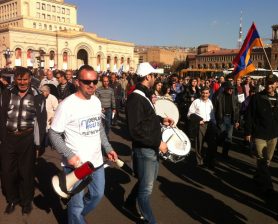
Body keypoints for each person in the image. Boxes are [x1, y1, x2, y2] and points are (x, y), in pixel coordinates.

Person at [49, 65, 118, 224]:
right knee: (77, 203)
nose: (92, 85)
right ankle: (76, 216)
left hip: (96, 161)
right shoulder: (67, 105)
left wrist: (108, 148)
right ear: (77, 82)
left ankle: (75, 215)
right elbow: (53, 134)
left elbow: (99, 126)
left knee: (97, 195)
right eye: (87, 81)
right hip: (76, 165)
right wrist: (69, 155)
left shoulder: (95, 101)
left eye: (95, 81)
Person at [124, 62, 174, 224]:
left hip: (149, 149)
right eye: (153, 76)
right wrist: (158, 143)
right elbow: (136, 130)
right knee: (146, 191)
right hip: (145, 150)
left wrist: (161, 120)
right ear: (147, 77)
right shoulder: (136, 98)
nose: (155, 78)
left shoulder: (143, 95)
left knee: (145, 183)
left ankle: (129, 203)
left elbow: (147, 119)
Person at [0, 66, 47, 215]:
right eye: (19, 79)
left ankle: (26, 201)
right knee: (8, 172)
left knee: (26, 172)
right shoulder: (7, 93)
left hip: (27, 138)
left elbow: (41, 120)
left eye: (25, 79)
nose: (22, 82)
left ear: (30, 79)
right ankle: (12, 199)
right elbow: (1, 116)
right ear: (15, 79)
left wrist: (39, 144)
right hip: (8, 138)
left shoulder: (37, 95)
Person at [244, 74, 278, 195]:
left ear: (276, 84)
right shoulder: (257, 97)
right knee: (262, 159)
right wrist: (248, 132)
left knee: (267, 161)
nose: (269, 85)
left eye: (272, 83)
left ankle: (258, 176)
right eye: (268, 83)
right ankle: (268, 186)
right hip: (259, 134)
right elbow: (249, 116)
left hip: (273, 135)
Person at [187, 86, 217, 169]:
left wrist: (214, 124)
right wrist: (197, 121)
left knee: (211, 144)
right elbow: (189, 114)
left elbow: (212, 115)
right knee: (199, 144)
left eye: (207, 93)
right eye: (203, 93)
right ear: (200, 93)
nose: (205, 95)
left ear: (209, 93)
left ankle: (210, 162)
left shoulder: (210, 102)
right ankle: (200, 162)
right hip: (201, 125)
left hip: (210, 124)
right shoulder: (196, 102)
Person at [214, 81, 240, 158]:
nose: (230, 90)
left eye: (231, 89)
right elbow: (215, 108)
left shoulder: (234, 97)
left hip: (231, 118)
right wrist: (215, 119)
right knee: (221, 135)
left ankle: (225, 153)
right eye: (229, 89)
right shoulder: (219, 96)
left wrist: (237, 120)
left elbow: (237, 109)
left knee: (229, 137)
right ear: (225, 89)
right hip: (222, 118)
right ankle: (214, 148)